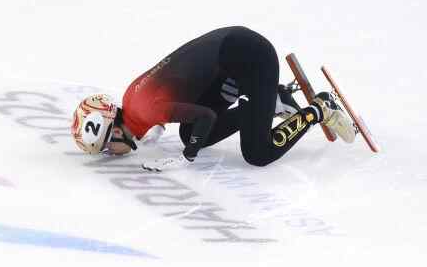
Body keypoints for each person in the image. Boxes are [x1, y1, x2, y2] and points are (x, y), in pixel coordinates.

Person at [71, 26, 355, 171]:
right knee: (190, 134)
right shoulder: (133, 100)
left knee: (257, 153)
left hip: (252, 57)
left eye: (106, 148)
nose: (111, 153)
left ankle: (320, 108)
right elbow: (171, 92)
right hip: (228, 58)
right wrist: (159, 126)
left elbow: (205, 116)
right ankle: (272, 101)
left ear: (116, 131)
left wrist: (187, 157)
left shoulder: (145, 110)